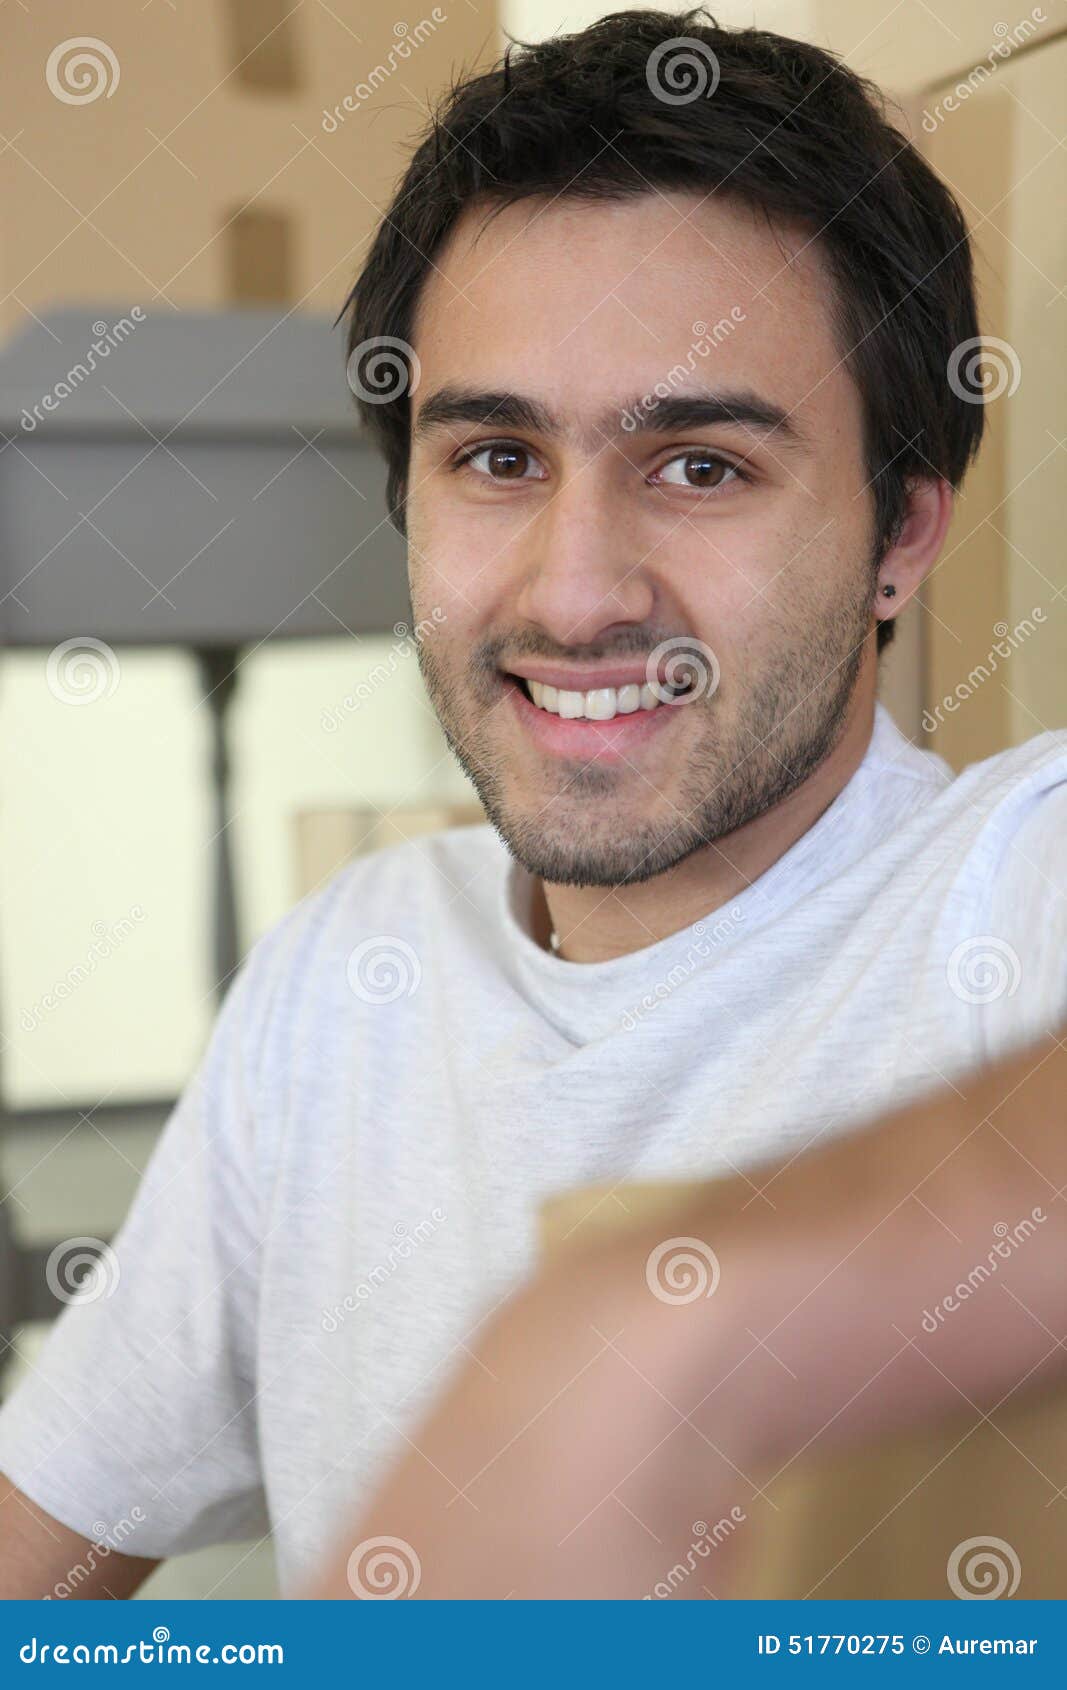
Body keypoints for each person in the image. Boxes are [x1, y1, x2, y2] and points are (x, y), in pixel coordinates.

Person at [1, 7, 1063, 1601]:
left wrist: (660, 1326)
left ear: (902, 534)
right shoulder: (337, 979)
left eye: (700, 464)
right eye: (496, 457)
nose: (576, 596)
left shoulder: (1012, 884)